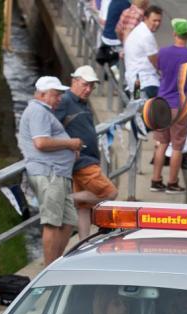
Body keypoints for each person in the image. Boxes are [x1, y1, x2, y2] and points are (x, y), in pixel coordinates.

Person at [18, 76, 81, 266]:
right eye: (56, 94)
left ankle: (55, 263)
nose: (60, 98)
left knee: (68, 220)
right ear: (42, 94)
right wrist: (71, 143)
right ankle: (49, 268)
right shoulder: (38, 111)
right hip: (49, 172)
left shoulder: (43, 111)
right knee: (52, 222)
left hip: (58, 173)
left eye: (61, 94)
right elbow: (41, 142)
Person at [55, 66, 118, 241]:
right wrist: (67, 146)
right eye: (85, 85)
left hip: (85, 160)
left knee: (84, 206)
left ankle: (83, 242)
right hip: (83, 161)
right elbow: (53, 127)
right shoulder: (66, 100)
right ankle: (63, 200)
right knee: (109, 193)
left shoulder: (81, 102)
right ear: (74, 81)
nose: (88, 89)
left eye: (91, 86)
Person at [151, 18, 187, 194]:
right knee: (177, 146)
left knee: (161, 144)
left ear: (175, 33)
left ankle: (155, 180)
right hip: (180, 106)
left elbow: (159, 69)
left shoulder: (162, 52)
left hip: (161, 103)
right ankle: (172, 183)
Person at [124, 5, 162, 98]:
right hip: (146, 84)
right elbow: (156, 63)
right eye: (154, 20)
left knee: (138, 107)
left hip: (135, 83)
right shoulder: (146, 36)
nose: (157, 24)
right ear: (145, 18)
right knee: (166, 102)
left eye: (159, 21)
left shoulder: (139, 30)